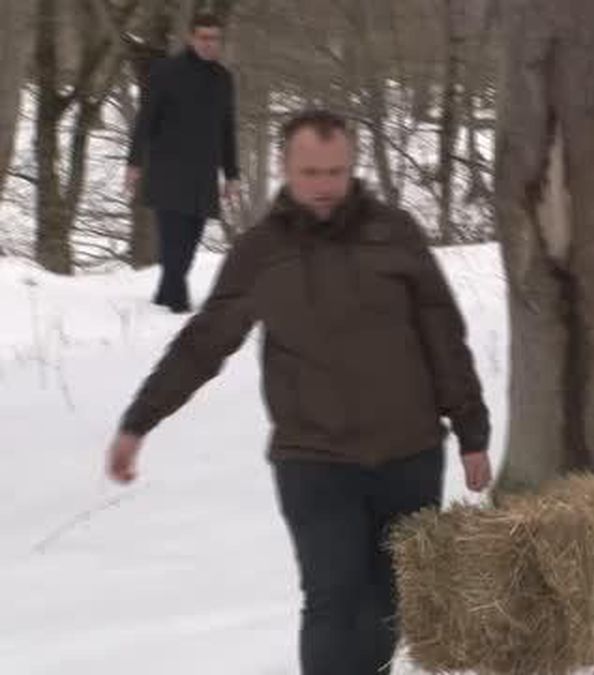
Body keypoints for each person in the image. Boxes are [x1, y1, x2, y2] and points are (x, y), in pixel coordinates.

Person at [105, 109, 493, 675]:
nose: (324, 187)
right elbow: (203, 343)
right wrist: (139, 421)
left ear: (352, 167)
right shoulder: (262, 252)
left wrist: (471, 431)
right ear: (286, 168)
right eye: (310, 172)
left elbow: (443, 334)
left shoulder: (395, 233)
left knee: (391, 603)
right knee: (333, 602)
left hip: (408, 453)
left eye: (335, 172)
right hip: (315, 459)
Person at [126, 12, 241, 313]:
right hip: (168, 172)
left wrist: (232, 174)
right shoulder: (167, 72)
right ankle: (178, 307)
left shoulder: (223, 79)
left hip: (203, 176)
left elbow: (227, 129)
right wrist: (134, 163)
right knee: (174, 245)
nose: (209, 44)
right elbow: (146, 120)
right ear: (191, 38)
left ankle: (163, 300)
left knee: (188, 248)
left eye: (214, 38)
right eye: (203, 37)